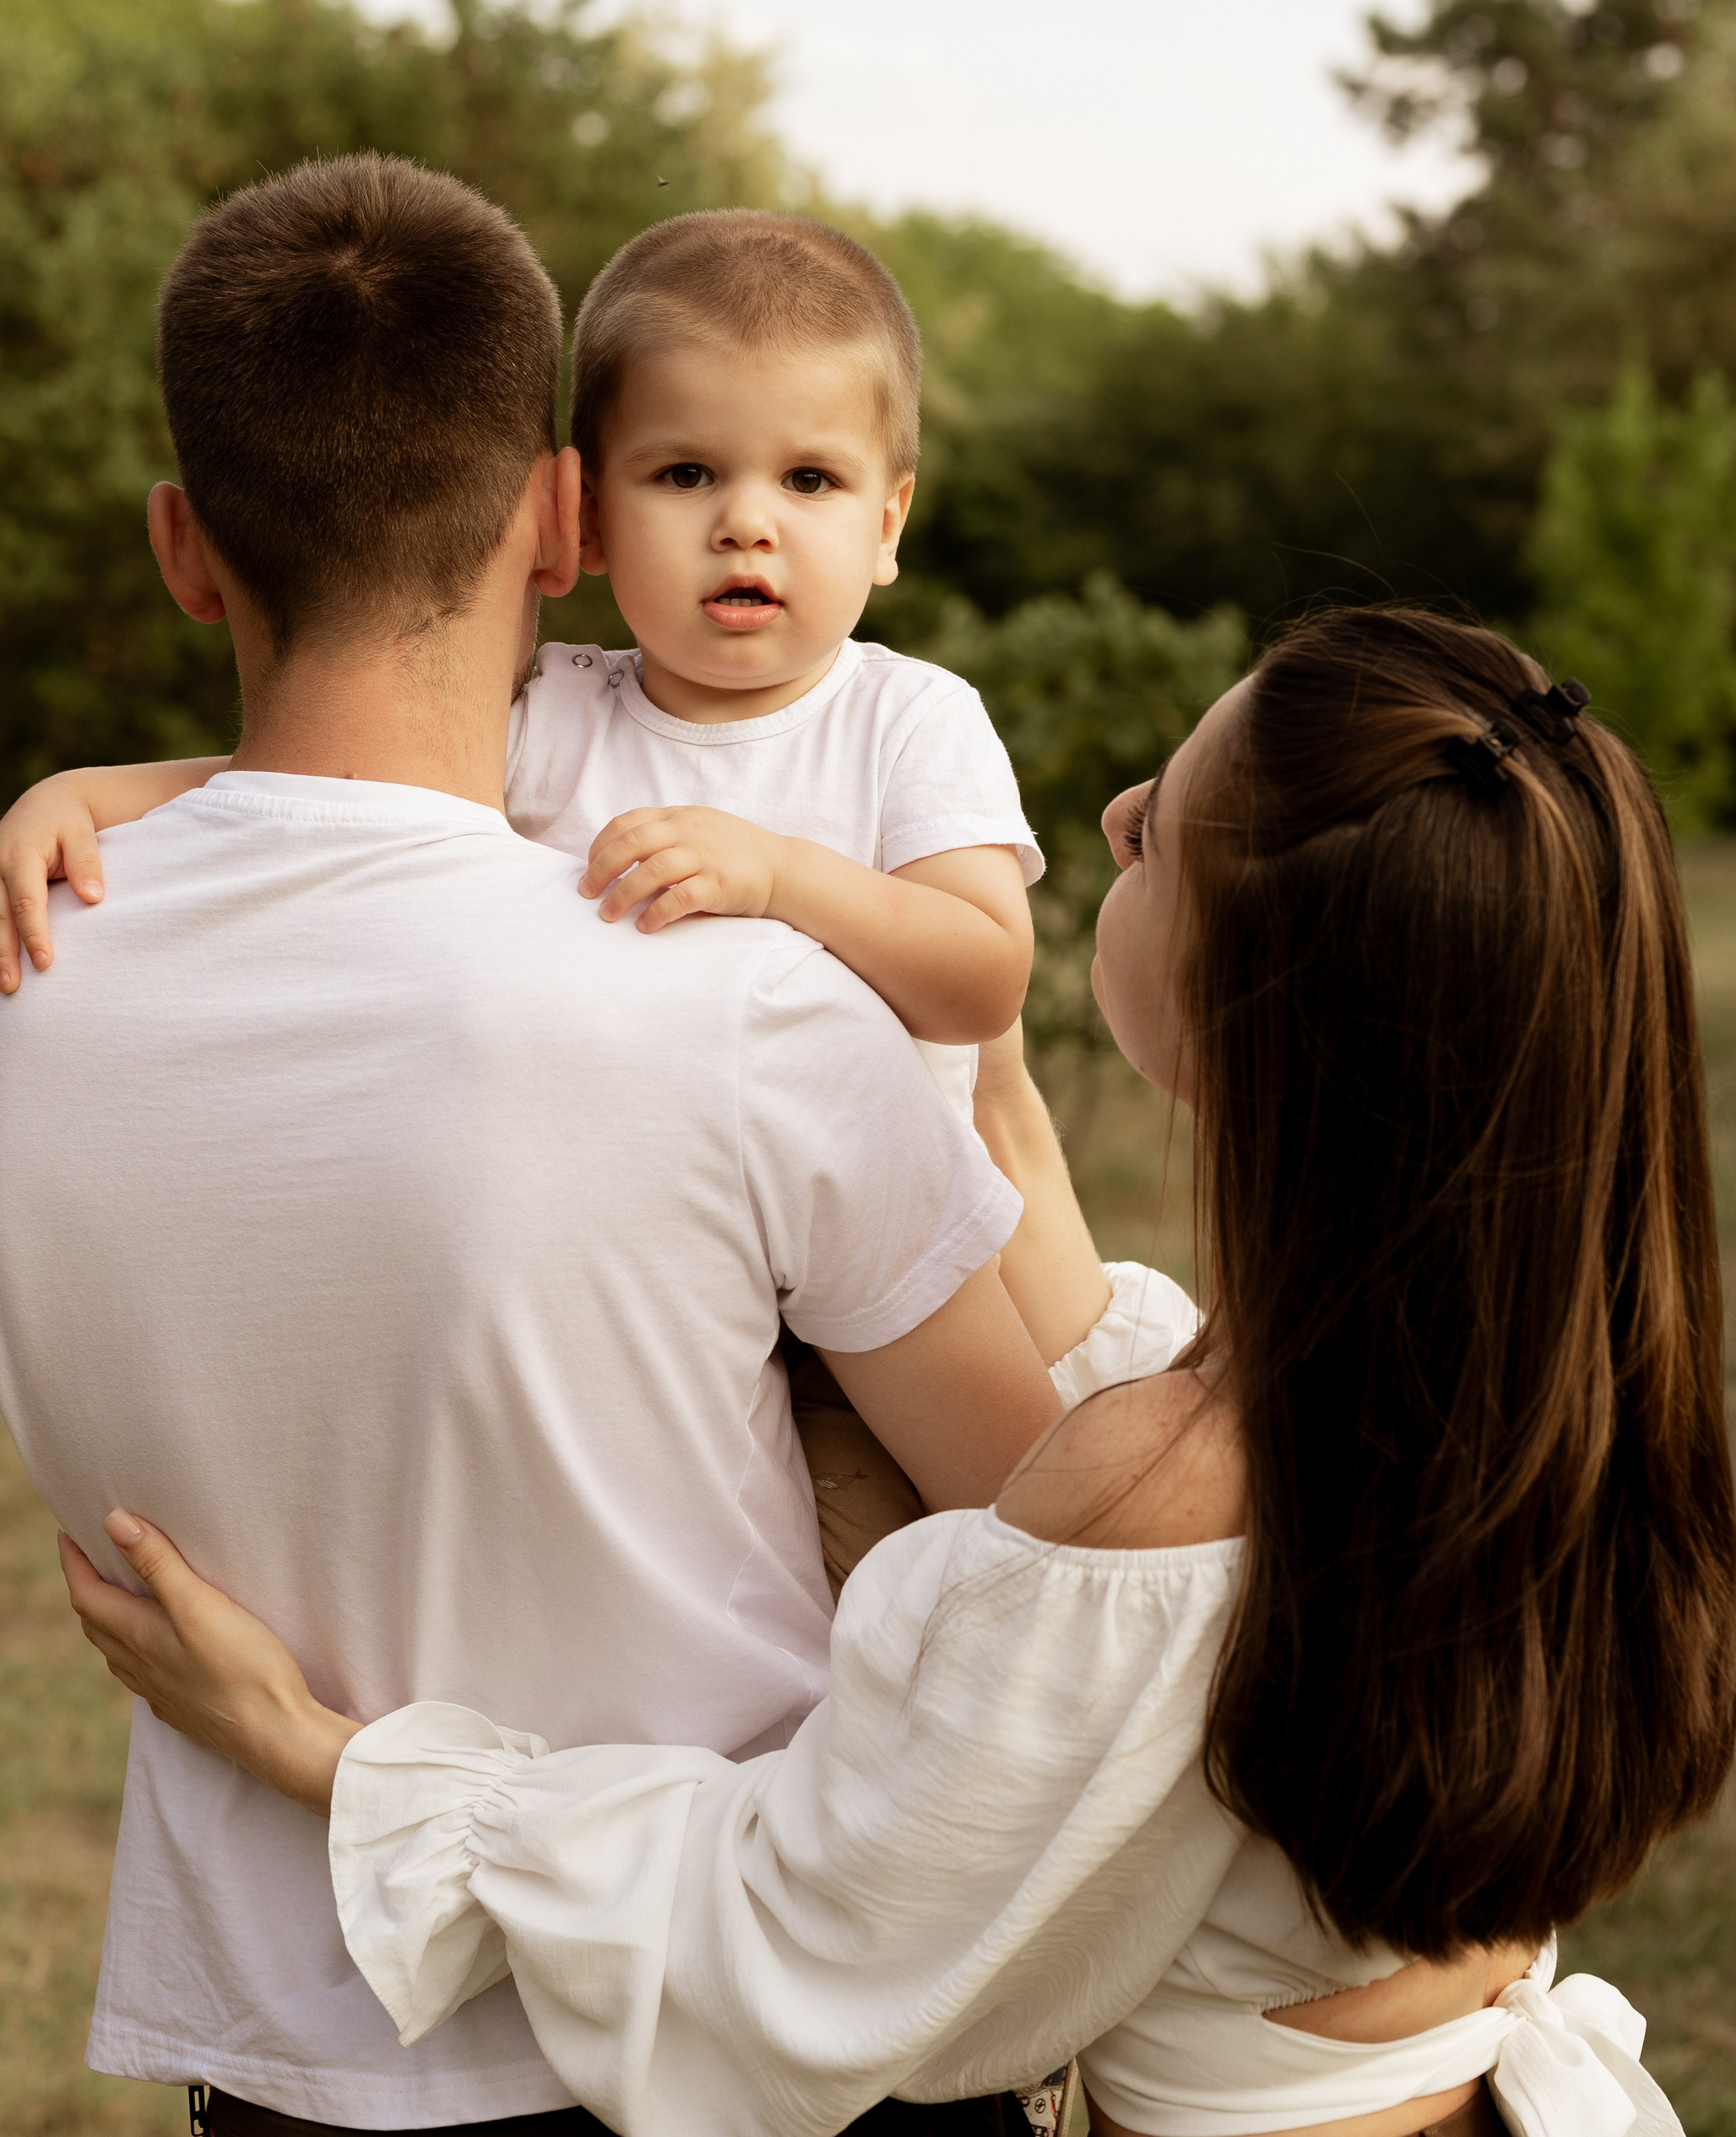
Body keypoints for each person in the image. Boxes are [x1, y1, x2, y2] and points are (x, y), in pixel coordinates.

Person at [66, 608, 1736, 2137]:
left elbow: (799, 1939)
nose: (1110, 817)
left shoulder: (1156, 1497)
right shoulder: (1516, 1390)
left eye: (1158, 826)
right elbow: (1048, 1243)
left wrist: (327, 1753)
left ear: (1255, 997)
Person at [0, 154, 1108, 2134]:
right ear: (564, 517)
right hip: (751, 2022)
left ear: (186, 546)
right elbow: (1055, 1559)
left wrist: (77, 790)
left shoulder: (34, 967)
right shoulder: (736, 994)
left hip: (300, 2043)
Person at [0, 204, 1101, 1592]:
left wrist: (778, 877)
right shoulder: (558, 710)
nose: (747, 522)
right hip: (659, 1298)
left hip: (897, 1306)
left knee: (922, 1608)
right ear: (577, 513)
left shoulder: (906, 718)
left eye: (810, 482)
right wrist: (91, 796)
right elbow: (316, 777)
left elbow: (982, 975)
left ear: (889, 520)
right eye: (687, 472)